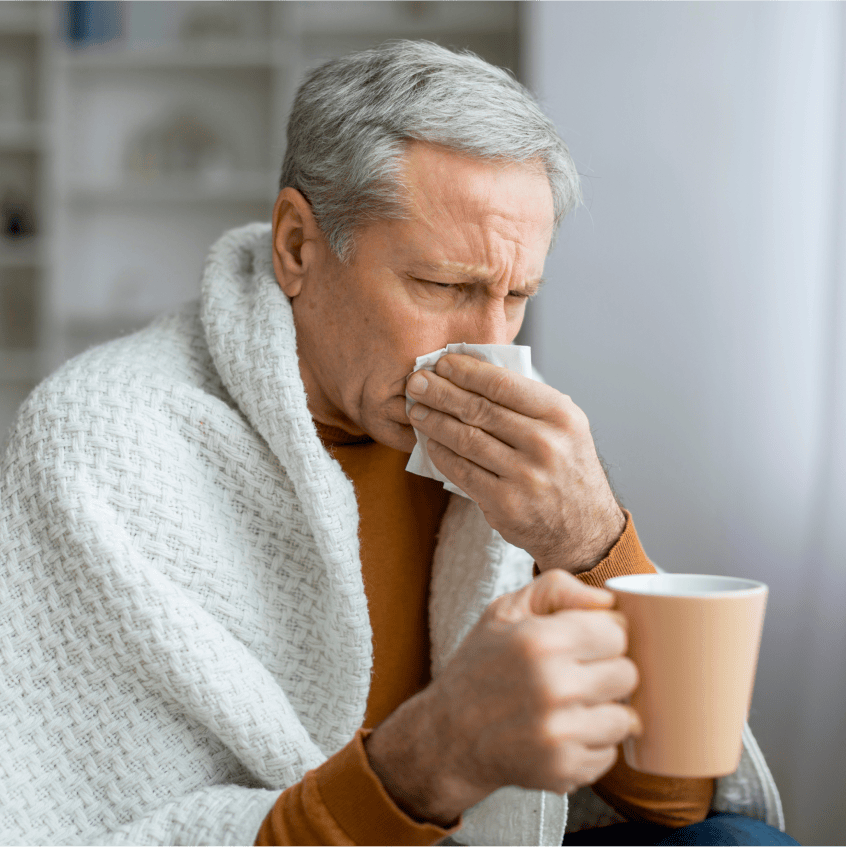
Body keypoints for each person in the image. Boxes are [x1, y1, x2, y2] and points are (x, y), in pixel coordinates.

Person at [0, 39, 797, 847]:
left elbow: (677, 801)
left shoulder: (506, 452)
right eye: (444, 286)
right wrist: (437, 752)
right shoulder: (105, 444)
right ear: (298, 247)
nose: (486, 346)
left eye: (517, 295)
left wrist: (590, 538)